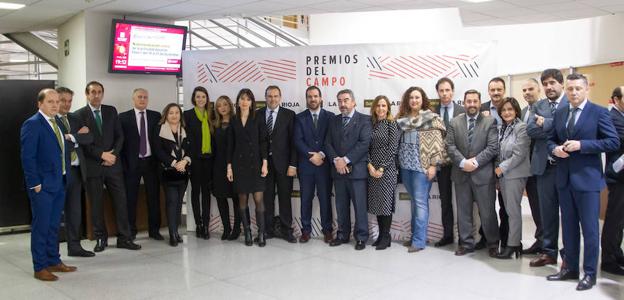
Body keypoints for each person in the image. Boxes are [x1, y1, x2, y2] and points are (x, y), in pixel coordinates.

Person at [546, 73, 619, 291]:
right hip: (564, 180)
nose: (574, 92)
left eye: (578, 88)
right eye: (570, 89)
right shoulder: (560, 113)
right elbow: (550, 139)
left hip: (587, 181)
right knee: (568, 228)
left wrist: (583, 145)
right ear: (566, 90)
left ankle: (589, 273)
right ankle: (569, 268)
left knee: (590, 230)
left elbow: (613, 141)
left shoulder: (598, 112)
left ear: (587, 89)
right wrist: (555, 149)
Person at [75, 81, 141, 252]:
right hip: (93, 166)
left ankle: (124, 238)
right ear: (87, 94)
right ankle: (100, 239)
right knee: (96, 204)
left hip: (113, 165)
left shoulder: (111, 111)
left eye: (99, 92)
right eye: (92, 92)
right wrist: (101, 155)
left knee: (121, 202)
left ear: (102, 94)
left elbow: (120, 136)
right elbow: (83, 143)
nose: (96, 95)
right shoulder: (79, 115)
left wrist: (113, 155)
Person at [21, 89, 76, 281]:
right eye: (50, 101)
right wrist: (34, 183)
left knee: (54, 226)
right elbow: (28, 157)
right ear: (40, 104)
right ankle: (40, 267)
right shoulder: (33, 124)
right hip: (42, 186)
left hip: (59, 182)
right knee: (41, 226)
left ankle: (54, 260)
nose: (55, 105)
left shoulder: (58, 122)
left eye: (57, 101)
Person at [446, 89, 499, 257]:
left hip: (483, 174)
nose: (472, 104)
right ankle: (466, 243)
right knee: (463, 211)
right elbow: (450, 146)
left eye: (475, 101)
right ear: (464, 102)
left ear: (479, 101)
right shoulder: (454, 122)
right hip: (461, 173)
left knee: (487, 211)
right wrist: (463, 162)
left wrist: (474, 162)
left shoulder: (489, 122)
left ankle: (492, 243)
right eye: (468, 101)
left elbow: (492, 147)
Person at [526, 68, 568, 267]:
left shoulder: (571, 103)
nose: (549, 87)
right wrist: (553, 128)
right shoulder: (539, 105)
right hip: (544, 168)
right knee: (547, 213)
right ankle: (548, 252)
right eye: (546, 84)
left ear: (561, 83)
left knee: (568, 213)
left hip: (567, 167)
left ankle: (569, 254)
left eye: (553, 83)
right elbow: (531, 130)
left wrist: (547, 123)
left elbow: (569, 129)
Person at [396, 87, 446, 253]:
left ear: (422, 99)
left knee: (420, 203)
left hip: (422, 167)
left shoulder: (431, 118)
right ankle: (415, 236)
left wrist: (433, 165)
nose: (414, 100)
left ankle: (419, 241)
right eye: (411, 97)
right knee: (414, 202)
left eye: (417, 97)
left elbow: (438, 145)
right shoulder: (402, 119)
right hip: (406, 166)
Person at [325, 89, 372, 250]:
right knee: (341, 206)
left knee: (360, 206)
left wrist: (345, 160)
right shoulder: (333, 120)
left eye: (346, 100)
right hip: (338, 172)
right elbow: (328, 143)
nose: (342, 104)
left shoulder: (365, 120)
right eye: (339, 101)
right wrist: (336, 160)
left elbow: (364, 144)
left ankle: (361, 237)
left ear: (353, 102)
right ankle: (342, 235)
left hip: (357, 172)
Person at [227, 88, 269, 247]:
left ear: (252, 102)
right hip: (239, 165)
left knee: (258, 199)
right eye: (242, 99)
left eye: (248, 99)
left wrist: (265, 163)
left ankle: (262, 233)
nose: (244, 102)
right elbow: (230, 145)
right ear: (238, 101)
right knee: (242, 199)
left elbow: (263, 141)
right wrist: (229, 167)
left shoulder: (258, 118)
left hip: (256, 164)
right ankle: (248, 232)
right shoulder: (233, 119)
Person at [119, 88, 162, 241]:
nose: (142, 99)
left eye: (145, 97)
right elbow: (121, 143)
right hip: (132, 164)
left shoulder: (155, 116)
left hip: (151, 162)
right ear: (133, 99)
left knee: (153, 197)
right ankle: (130, 230)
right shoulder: (123, 117)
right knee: (130, 198)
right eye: (139, 97)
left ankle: (154, 230)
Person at [56, 87, 95, 258]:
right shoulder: (51, 121)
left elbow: (89, 138)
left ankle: (74, 247)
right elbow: (59, 144)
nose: (66, 104)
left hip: (77, 172)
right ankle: (52, 251)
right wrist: (76, 138)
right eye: (62, 100)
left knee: (74, 211)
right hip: (59, 173)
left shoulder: (75, 118)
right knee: (55, 213)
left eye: (69, 101)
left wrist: (71, 137)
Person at [294, 86, 335, 243]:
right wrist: (311, 156)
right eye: (310, 96)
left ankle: (327, 230)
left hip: (324, 166)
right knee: (306, 199)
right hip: (306, 165)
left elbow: (331, 139)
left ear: (321, 98)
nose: (313, 99)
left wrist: (322, 154)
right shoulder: (299, 118)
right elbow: (298, 140)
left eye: (315, 96)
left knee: (325, 198)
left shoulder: (330, 117)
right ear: (306, 99)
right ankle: (306, 230)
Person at [258, 86, 297, 243]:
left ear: (280, 97)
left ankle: (287, 230)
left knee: (285, 198)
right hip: (264, 166)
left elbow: (294, 142)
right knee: (267, 199)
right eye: (269, 96)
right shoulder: (258, 114)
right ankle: (267, 230)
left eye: (275, 96)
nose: (272, 99)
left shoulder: (289, 115)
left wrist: (293, 164)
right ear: (265, 97)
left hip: (284, 164)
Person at [494, 97, 531, 259]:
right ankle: (515, 243)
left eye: (510, 109)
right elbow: (499, 152)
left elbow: (519, 154)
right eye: (503, 110)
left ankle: (513, 245)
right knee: (509, 211)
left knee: (513, 211)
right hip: (503, 175)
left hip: (514, 174)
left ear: (516, 111)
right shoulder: (504, 127)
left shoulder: (521, 128)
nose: (506, 112)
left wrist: (500, 168)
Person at [433, 77, 465, 247]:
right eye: (441, 90)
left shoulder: (463, 110)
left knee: (463, 201)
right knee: (445, 201)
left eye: (447, 90)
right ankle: (447, 235)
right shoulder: (432, 111)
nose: (445, 93)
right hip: (442, 164)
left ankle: (464, 237)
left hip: (460, 162)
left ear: (452, 91)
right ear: (437, 92)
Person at [154, 103, 191, 247]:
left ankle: (176, 232)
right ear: (166, 115)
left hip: (183, 172)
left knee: (178, 202)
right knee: (171, 201)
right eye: (171, 113)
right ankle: (172, 234)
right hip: (167, 171)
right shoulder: (159, 129)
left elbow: (191, 148)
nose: (174, 115)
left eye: (177, 112)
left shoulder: (185, 129)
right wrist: (175, 162)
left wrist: (185, 161)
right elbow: (158, 151)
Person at [367, 95, 400, 250]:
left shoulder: (391, 124)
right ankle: (380, 236)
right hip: (372, 170)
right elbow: (365, 146)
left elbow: (393, 149)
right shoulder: (370, 124)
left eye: (384, 106)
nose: (381, 108)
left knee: (385, 205)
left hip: (387, 171)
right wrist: (370, 166)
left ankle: (386, 237)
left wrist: (381, 168)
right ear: (374, 108)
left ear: (388, 108)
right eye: (378, 105)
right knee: (378, 205)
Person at [212, 95, 247, 240]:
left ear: (230, 106)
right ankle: (226, 228)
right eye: (219, 105)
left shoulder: (237, 122)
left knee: (236, 198)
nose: (222, 108)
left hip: (235, 165)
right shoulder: (214, 124)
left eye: (225, 104)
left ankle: (237, 229)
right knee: (220, 197)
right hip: (218, 166)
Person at [479, 77, 507, 250]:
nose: (496, 93)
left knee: (505, 205)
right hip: (485, 162)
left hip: (506, 162)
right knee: (486, 204)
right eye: (493, 90)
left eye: (499, 89)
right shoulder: (481, 109)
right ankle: (486, 237)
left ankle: (506, 239)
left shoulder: (510, 107)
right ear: (488, 91)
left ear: (504, 90)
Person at [183, 86, 214, 239]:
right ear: (193, 99)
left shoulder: (212, 115)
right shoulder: (187, 115)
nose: (200, 99)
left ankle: (207, 225)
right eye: (198, 97)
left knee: (206, 193)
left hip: (209, 159)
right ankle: (199, 225)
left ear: (207, 98)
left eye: (203, 96)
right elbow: (185, 139)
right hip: (194, 160)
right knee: (195, 192)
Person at [601, 86, 624, 276]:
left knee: (620, 220)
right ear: (616, 99)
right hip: (617, 176)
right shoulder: (614, 118)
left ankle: (616, 252)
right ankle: (608, 259)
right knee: (614, 219)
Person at [519, 79, 543, 255]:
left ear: (539, 89)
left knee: (544, 207)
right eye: (525, 90)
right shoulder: (523, 111)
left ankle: (547, 244)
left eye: (531, 89)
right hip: (526, 167)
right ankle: (540, 240)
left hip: (542, 167)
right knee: (535, 206)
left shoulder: (546, 109)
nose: (527, 92)